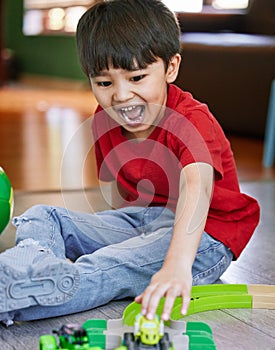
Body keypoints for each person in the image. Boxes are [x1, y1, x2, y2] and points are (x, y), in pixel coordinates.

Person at [0, 0, 260, 326]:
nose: (121, 96)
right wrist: (114, 237)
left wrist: (177, 266)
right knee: (43, 214)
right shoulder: (104, 121)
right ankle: (33, 269)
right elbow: (122, 203)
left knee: (109, 265)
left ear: (171, 68)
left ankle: (14, 290)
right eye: (105, 83)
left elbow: (198, 186)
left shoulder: (191, 119)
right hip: (146, 221)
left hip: (206, 237)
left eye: (136, 77)